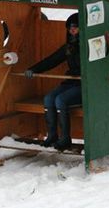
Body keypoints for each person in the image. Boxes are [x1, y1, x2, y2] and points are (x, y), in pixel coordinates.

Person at [24, 13, 81, 151]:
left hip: (84, 86)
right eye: (69, 28)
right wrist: (34, 69)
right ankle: (52, 136)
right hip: (71, 82)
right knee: (49, 99)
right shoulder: (69, 47)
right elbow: (52, 61)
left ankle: (65, 138)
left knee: (60, 100)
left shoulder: (89, 46)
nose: (72, 30)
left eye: (75, 27)